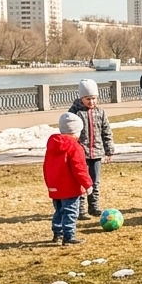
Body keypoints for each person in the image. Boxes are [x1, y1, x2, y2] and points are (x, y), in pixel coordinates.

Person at [44, 112, 93, 246]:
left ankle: (57, 233)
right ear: (76, 131)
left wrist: (50, 184)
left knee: (59, 210)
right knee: (71, 211)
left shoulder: (52, 146)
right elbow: (80, 168)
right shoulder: (75, 147)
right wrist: (87, 184)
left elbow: (47, 167)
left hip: (55, 185)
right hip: (70, 186)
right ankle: (69, 236)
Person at [68, 79, 114, 218]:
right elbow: (69, 132)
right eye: (88, 99)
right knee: (81, 181)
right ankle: (80, 209)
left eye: (94, 98)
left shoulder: (100, 112)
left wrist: (109, 150)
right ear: (81, 98)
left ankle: (93, 206)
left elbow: (106, 131)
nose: (92, 102)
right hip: (81, 154)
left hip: (97, 153)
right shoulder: (75, 113)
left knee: (95, 182)